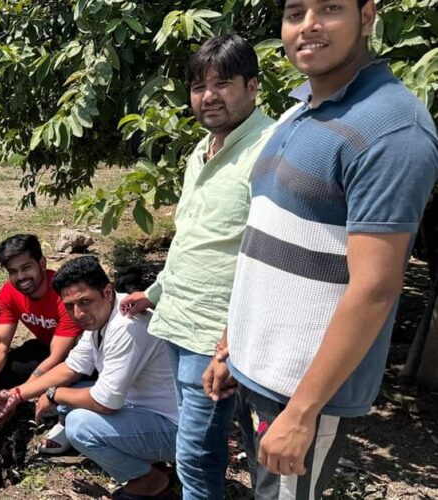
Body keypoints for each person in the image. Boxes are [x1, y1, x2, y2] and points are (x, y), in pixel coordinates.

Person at [203, 1, 438, 498]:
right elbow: (261, 242)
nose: (308, 25)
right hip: (255, 372)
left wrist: (303, 411)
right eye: (295, 12)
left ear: (367, 16)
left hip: (299, 389)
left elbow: (376, 288)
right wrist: (231, 345)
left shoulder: (393, 129)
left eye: (329, 8)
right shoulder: (298, 111)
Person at [119, 34, 274, 499]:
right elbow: (195, 241)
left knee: (196, 452)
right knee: (211, 444)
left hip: (218, 332)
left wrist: (229, 344)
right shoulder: (199, 151)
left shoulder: (269, 151)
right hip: (181, 321)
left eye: (222, 84)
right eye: (198, 87)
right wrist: (156, 292)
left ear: (252, 86)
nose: (208, 97)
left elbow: (268, 256)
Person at [0, 256, 177, 499]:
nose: (78, 313)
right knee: (70, 406)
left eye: (85, 301)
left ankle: (149, 482)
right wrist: (16, 394)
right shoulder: (103, 315)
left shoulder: (127, 327)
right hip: (143, 410)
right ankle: (152, 464)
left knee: (80, 426)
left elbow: (105, 403)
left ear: (107, 292)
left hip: (173, 429)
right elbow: (71, 367)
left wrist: (54, 395)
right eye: (69, 306)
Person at [0, 234, 82, 396]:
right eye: (13, 271)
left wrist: (17, 394)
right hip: (46, 347)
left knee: (66, 389)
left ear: (42, 263)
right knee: (2, 370)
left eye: (26, 268)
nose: (21, 277)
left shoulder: (65, 293)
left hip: (81, 355)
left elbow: (58, 356)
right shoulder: (9, 293)